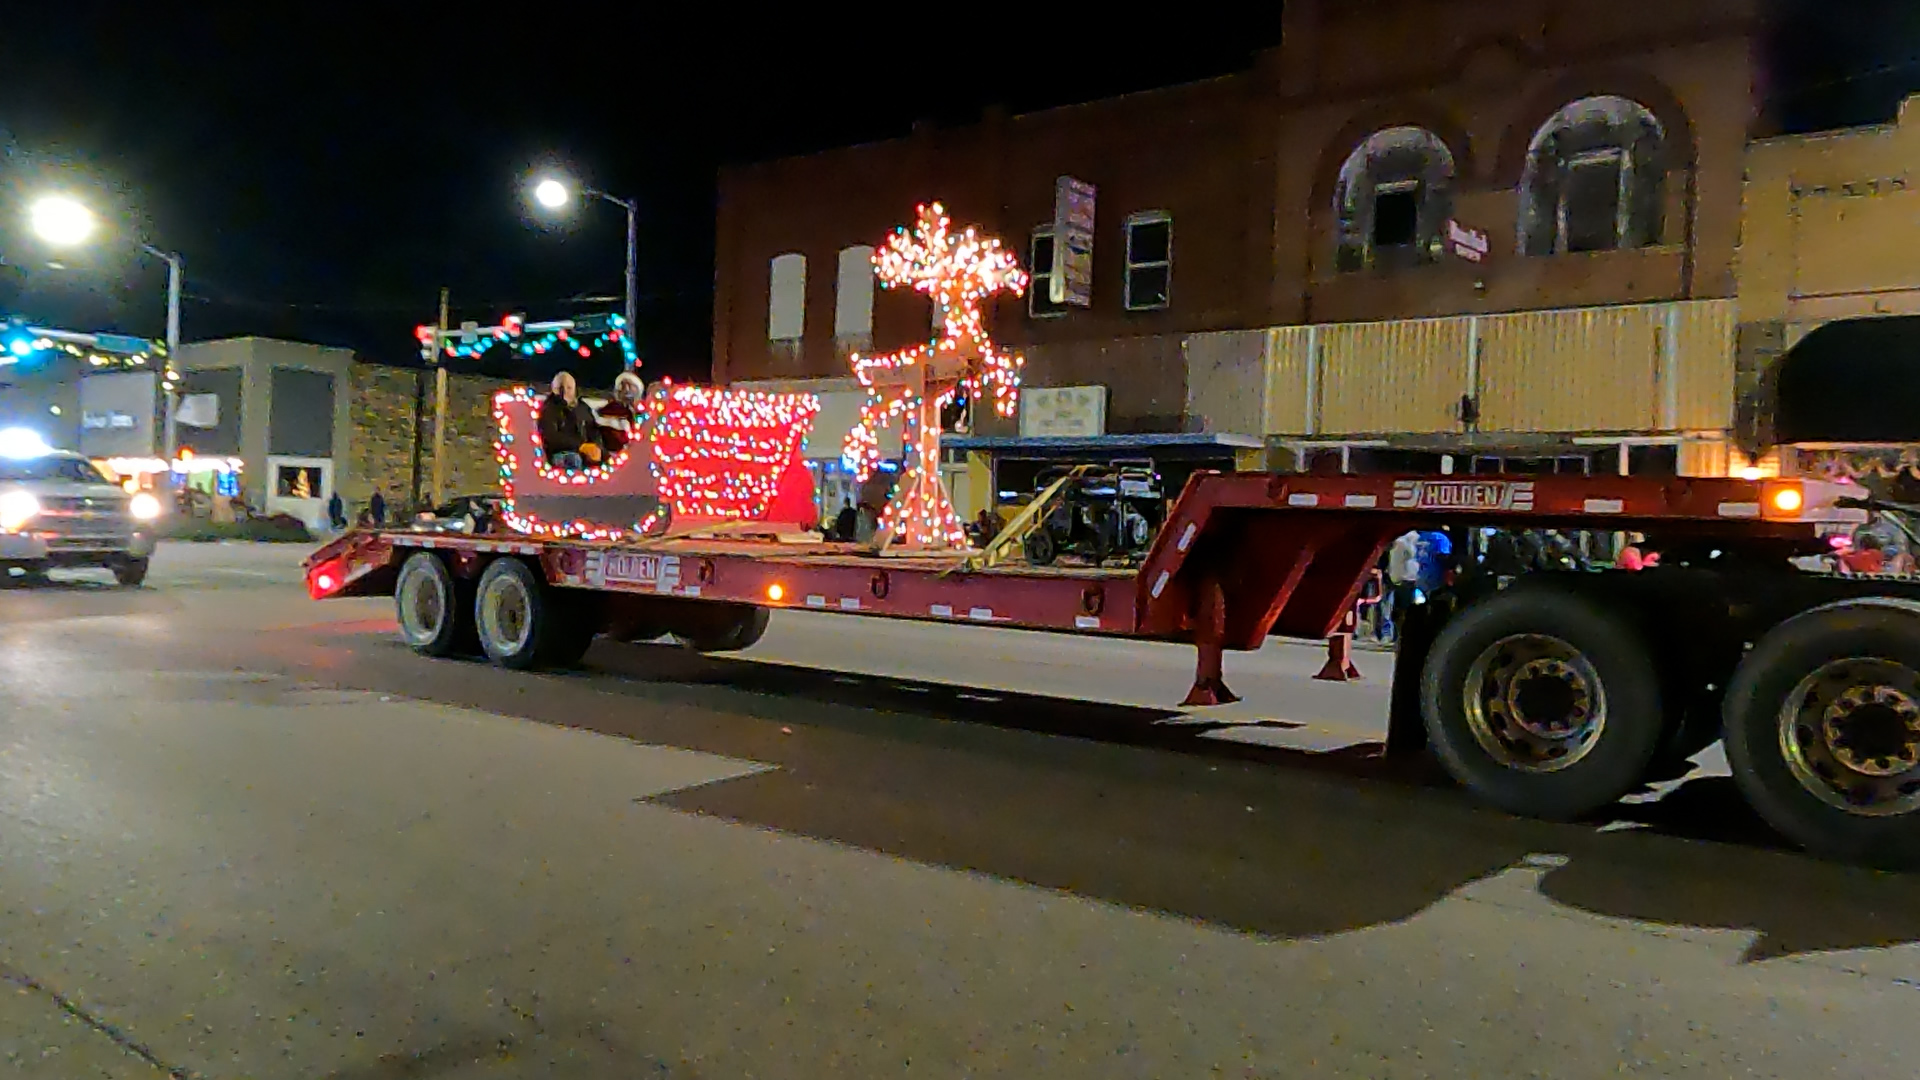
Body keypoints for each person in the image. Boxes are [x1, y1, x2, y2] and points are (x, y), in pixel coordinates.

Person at [539, 371, 602, 470]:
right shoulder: (549, 409)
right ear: (554, 389)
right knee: (573, 459)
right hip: (560, 453)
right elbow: (551, 438)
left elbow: (594, 431)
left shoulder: (583, 408)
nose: (565, 391)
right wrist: (579, 446)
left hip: (584, 452)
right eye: (560, 388)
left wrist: (597, 447)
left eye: (569, 387)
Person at [593, 371, 646, 454]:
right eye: (623, 385)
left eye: (630, 385)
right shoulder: (610, 410)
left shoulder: (644, 413)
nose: (627, 390)